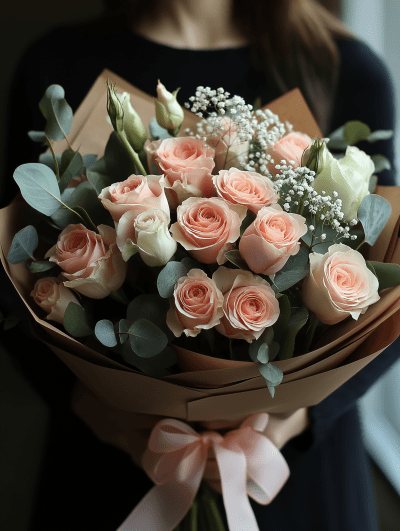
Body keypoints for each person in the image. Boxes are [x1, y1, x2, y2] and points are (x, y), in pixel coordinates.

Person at [0, 1, 397, 529]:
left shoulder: (346, 65)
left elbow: (386, 286)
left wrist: (293, 417)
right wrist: (108, 418)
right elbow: (12, 277)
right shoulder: (58, 62)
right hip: (107, 467)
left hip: (296, 475)